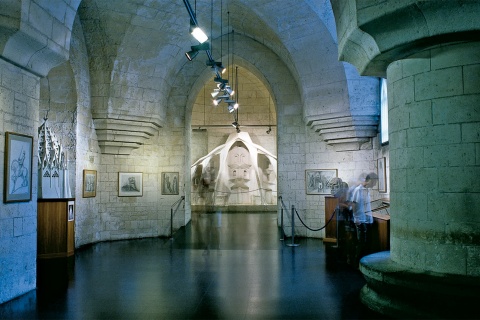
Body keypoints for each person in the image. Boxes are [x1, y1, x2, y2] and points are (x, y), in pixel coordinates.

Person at [350, 174, 375, 266]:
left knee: (365, 242)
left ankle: (362, 263)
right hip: (360, 220)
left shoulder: (366, 190)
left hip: (366, 219)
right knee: (361, 242)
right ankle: (356, 263)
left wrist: (370, 219)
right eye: (373, 182)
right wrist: (356, 219)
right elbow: (354, 205)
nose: (374, 184)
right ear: (368, 181)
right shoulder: (358, 190)